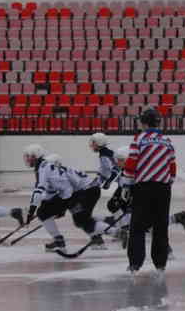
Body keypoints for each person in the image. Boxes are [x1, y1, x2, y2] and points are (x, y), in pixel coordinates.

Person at [123, 107, 176, 273]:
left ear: (144, 123)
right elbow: (172, 166)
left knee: (137, 226)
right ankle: (160, 264)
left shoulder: (138, 139)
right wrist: (167, 182)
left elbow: (131, 162)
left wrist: (126, 184)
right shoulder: (167, 140)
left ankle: (135, 264)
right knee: (161, 226)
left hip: (143, 187)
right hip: (163, 188)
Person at [27, 150, 111, 250]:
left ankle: (111, 232)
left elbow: (67, 191)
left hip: (86, 192)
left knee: (80, 219)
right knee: (81, 218)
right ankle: (98, 236)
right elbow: (62, 192)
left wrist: (60, 208)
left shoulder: (55, 172)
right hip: (86, 191)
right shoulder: (61, 171)